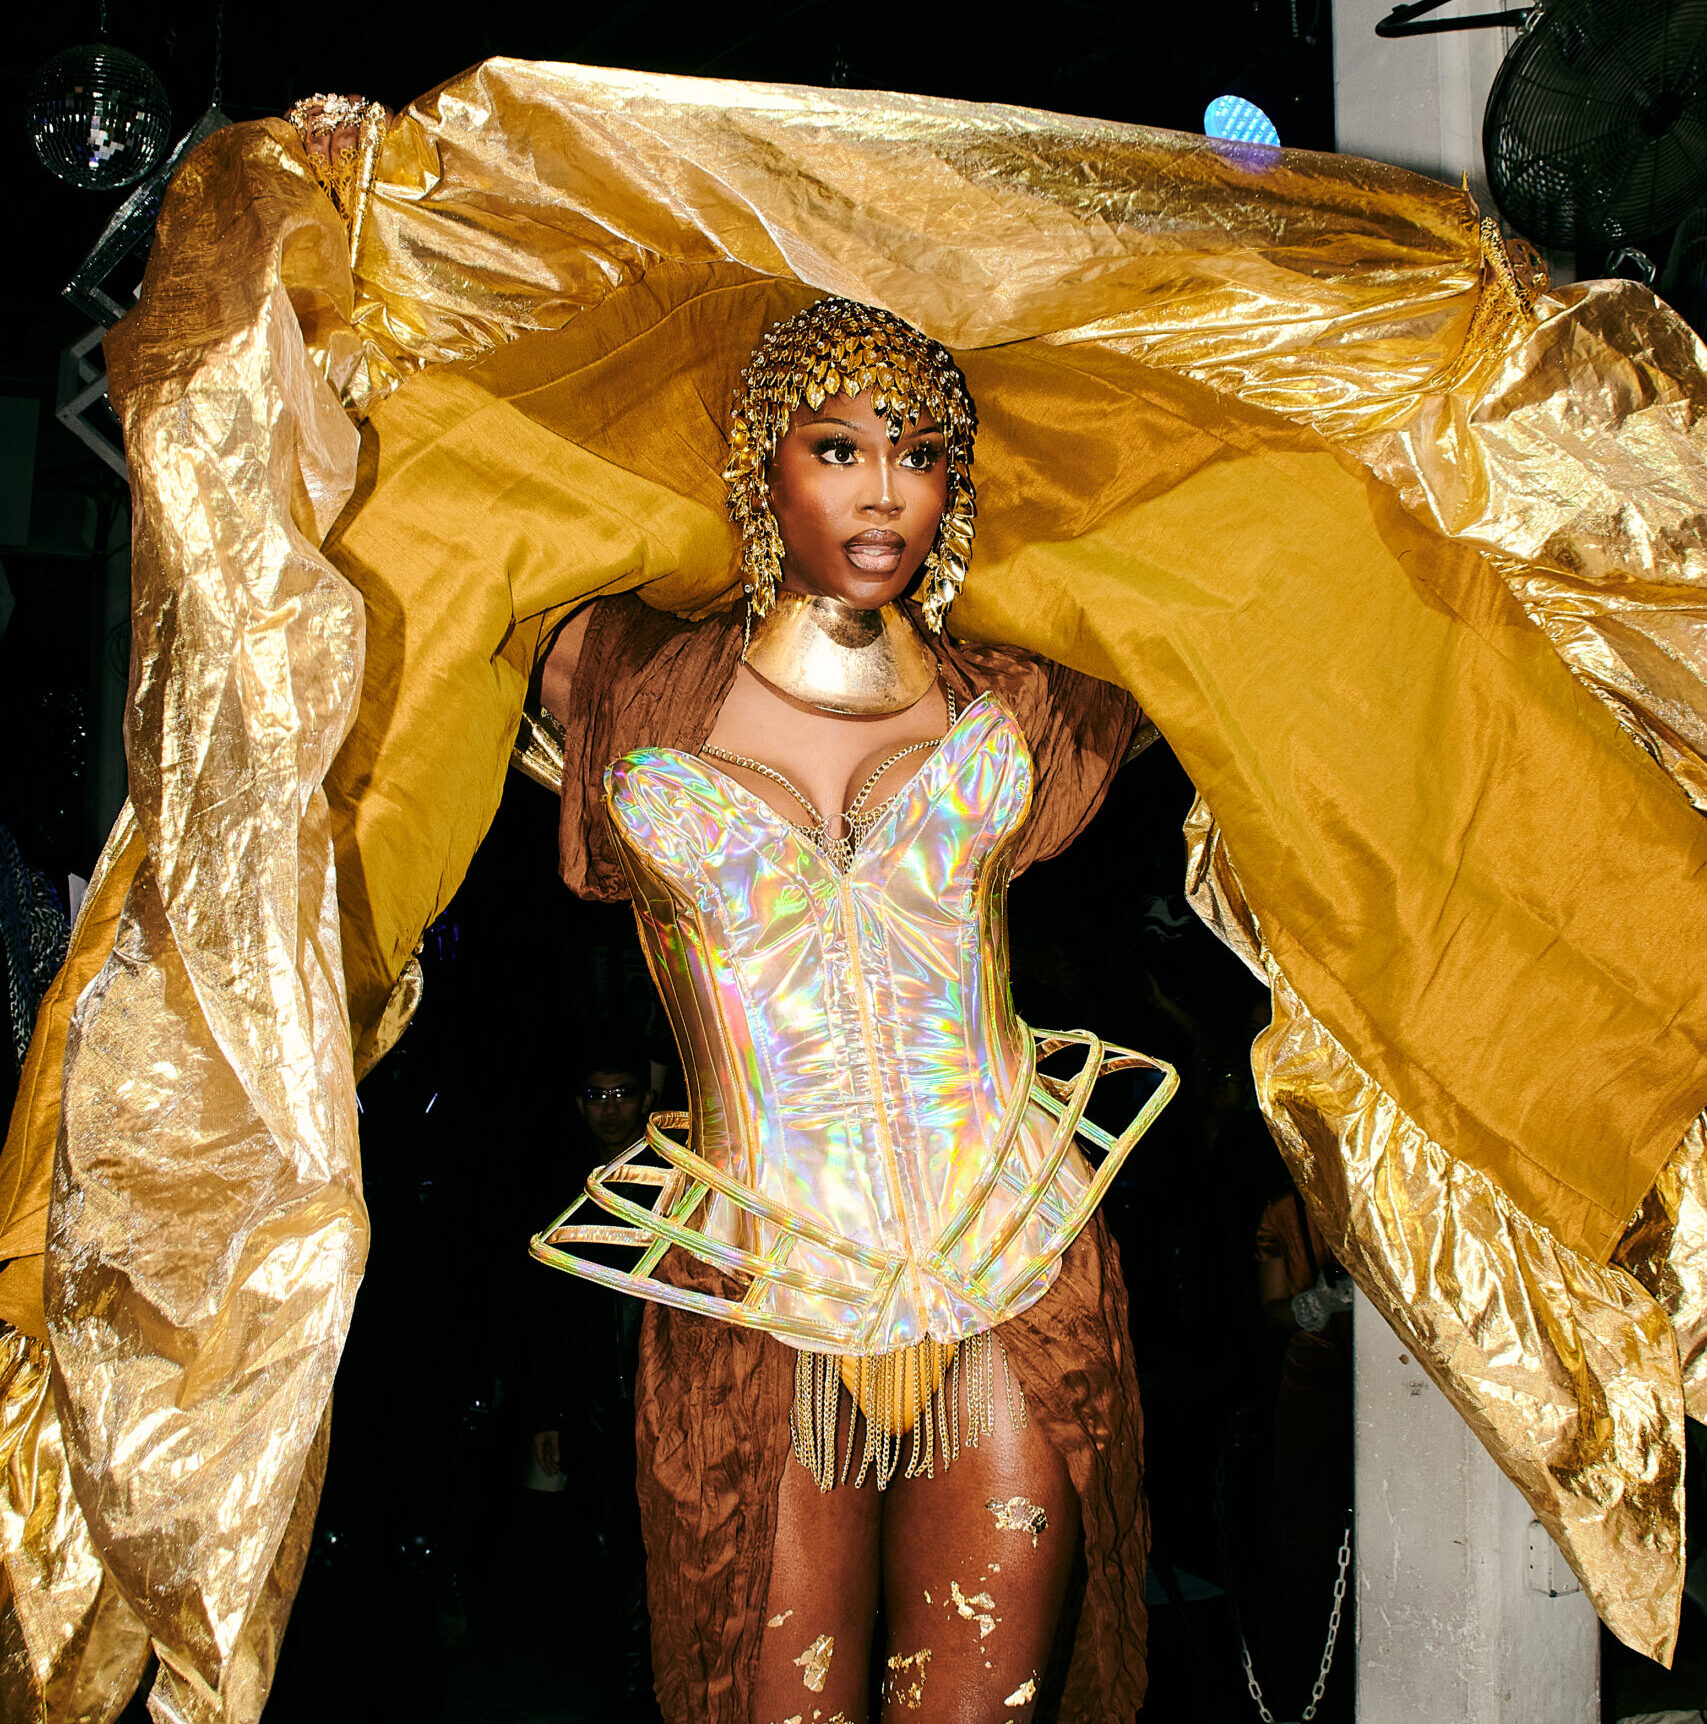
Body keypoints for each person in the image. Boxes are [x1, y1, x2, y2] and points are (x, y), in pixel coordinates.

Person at [529, 297, 1173, 1724]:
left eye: (922, 451)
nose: (885, 492)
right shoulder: (621, 674)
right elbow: (420, 519)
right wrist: (347, 244)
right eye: (837, 448)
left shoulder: (1024, 697)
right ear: (760, 465)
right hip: (761, 1294)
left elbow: (1212, 556)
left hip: (1013, 1267)